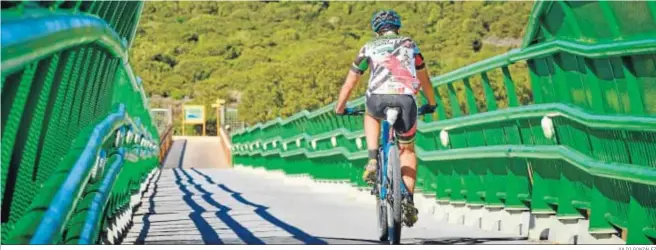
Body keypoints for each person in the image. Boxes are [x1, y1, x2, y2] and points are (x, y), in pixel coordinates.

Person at [334, 10, 437, 227]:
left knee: (371, 113)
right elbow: (423, 76)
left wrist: (340, 107)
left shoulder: (368, 47)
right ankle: (407, 198)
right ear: (397, 26)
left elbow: (351, 81)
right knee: (407, 149)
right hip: (406, 101)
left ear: (376, 29)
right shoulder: (410, 44)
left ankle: (372, 159)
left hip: (378, 100)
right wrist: (432, 102)